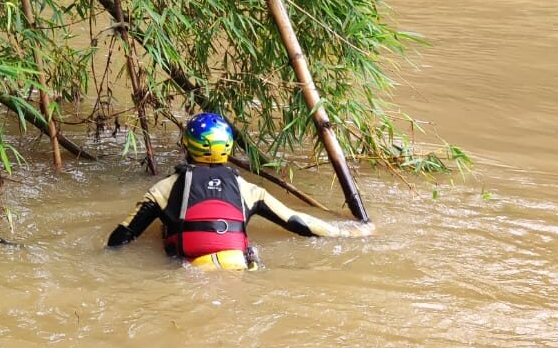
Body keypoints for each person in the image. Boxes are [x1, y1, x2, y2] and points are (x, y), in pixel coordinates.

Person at [106, 113, 375, 270]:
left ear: (188, 146)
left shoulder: (163, 189)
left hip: (189, 269)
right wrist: (352, 231)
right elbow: (299, 224)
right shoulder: (248, 190)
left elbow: (120, 238)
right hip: (241, 268)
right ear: (229, 148)